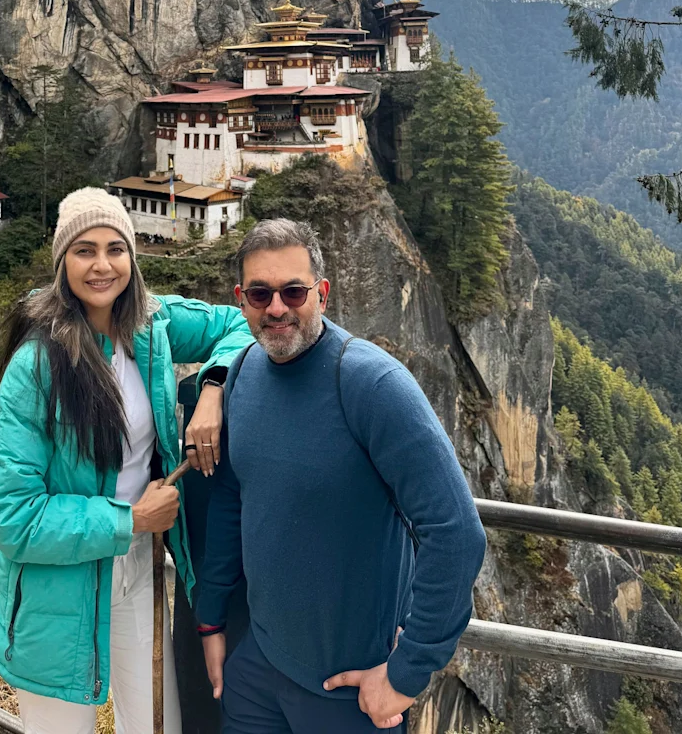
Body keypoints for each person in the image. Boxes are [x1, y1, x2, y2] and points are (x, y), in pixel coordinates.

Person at [195, 218, 487, 733]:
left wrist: (405, 673)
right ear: (242, 301)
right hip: (258, 669)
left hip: (348, 691)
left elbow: (456, 531)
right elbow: (233, 499)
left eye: (294, 291)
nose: (278, 307)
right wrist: (211, 617)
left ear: (322, 294)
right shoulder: (242, 372)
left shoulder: (372, 384)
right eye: (261, 294)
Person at [0, 187, 252, 734]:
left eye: (114, 248)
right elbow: (9, 514)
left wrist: (213, 388)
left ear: (132, 255)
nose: (102, 265)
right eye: (84, 250)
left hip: (138, 569)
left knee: (157, 725)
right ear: (62, 264)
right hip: (59, 586)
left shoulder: (152, 327)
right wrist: (129, 520)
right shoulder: (38, 365)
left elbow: (238, 323)